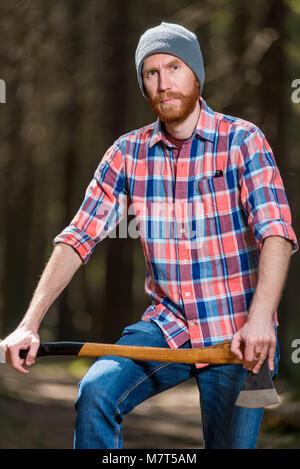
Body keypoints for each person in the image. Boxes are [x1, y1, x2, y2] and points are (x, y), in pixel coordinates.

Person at [0, 22, 298, 449]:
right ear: (143, 82)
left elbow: (276, 233)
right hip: (167, 325)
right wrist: (29, 324)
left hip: (238, 336)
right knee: (97, 392)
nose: (164, 83)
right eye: (151, 72)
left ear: (196, 73)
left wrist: (260, 319)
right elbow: (78, 237)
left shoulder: (243, 141)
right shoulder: (127, 153)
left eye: (174, 67)